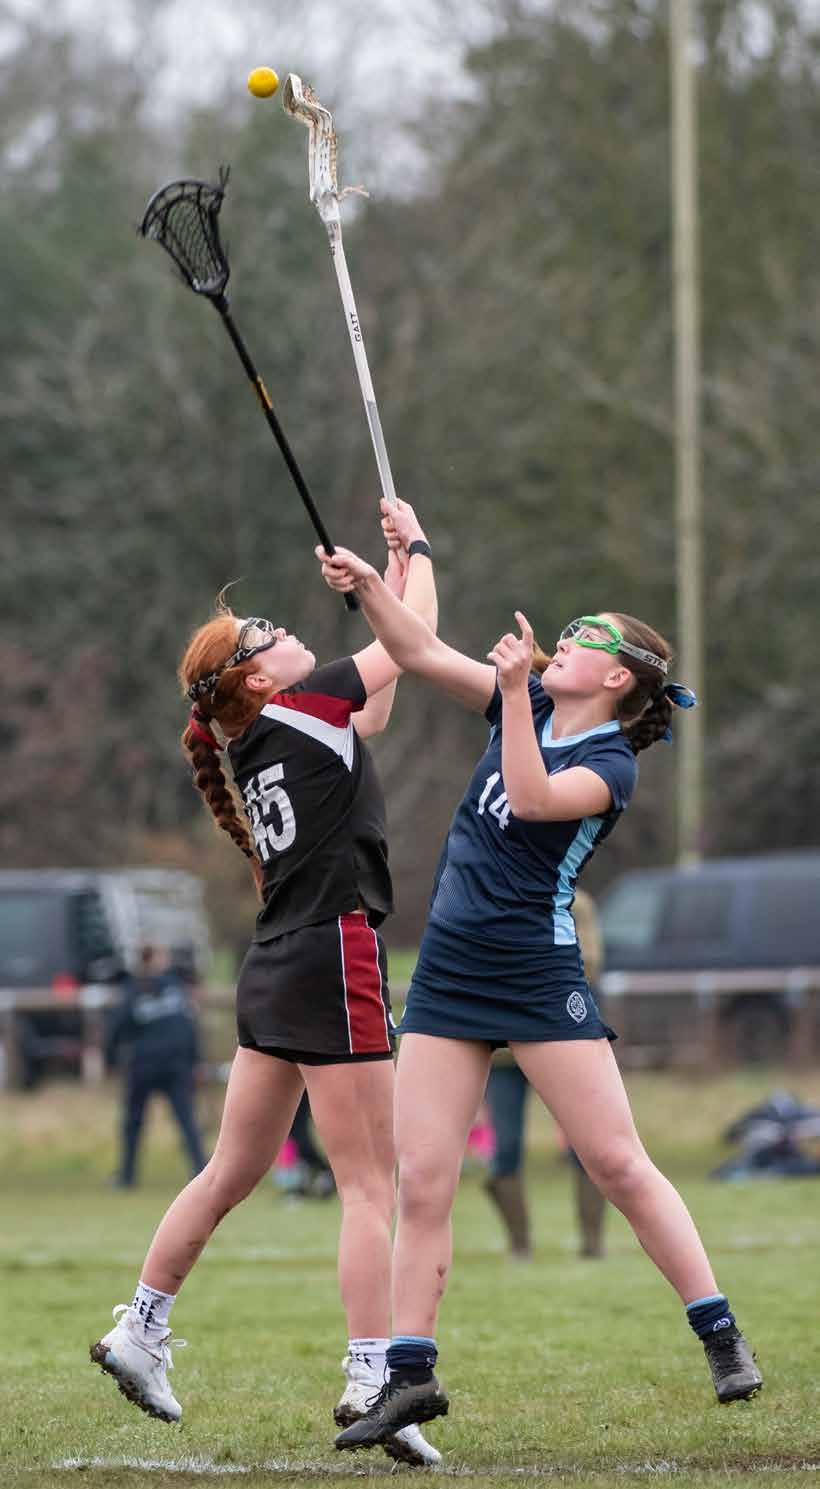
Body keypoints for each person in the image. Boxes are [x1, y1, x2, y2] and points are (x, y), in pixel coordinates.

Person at [317, 498, 763, 1454]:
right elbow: (417, 650)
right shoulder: (519, 702)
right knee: (423, 1179)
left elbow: (530, 797)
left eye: (583, 638)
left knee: (616, 1162)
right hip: (449, 970)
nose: (562, 640)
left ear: (616, 677)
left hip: (535, 971)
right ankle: (410, 1375)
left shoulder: (609, 761)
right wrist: (386, 572)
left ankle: (720, 1332)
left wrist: (517, 693)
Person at [90, 526, 443, 1469]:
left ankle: (140, 1327)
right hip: (333, 950)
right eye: (268, 634)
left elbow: (384, 692)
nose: (286, 631)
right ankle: (371, 1377)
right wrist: (415, 553)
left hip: (278, 958)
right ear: (256, 678)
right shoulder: (309, 703)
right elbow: (414, 645)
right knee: (368, 1183)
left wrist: (383, 580)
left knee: (231, 1169)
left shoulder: (272, 732)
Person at [483, 887, 607, 1261]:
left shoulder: (575, 902)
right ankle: (519, 1245)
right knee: (506, 1147)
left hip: (558, 1042)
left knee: (588, 1144)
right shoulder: (485, 899)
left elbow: (588, 965)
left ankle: (592, 1243)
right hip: (504, 1052)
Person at [106, 944, 207, 1188]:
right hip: (168, 1065)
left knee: (137, 1123)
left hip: (147, 1065)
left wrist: (110, 1059)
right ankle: (201, 1172)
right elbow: (189, 1029)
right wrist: (195, 1061)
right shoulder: (174, 988)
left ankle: (127, 1177)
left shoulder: (135, 989)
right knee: (184, 1121)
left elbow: (116, 1029)